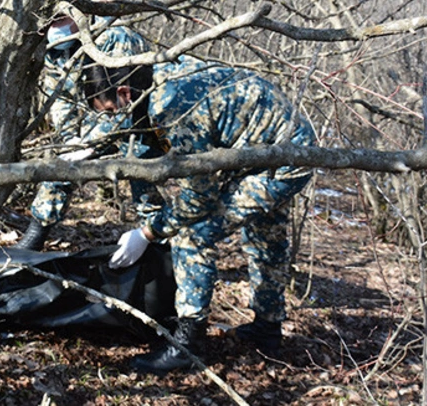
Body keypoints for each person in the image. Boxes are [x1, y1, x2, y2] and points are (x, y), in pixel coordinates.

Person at [82, 58, 315, 374]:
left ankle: (188, 346)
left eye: (110, 110)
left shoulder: (172, 105)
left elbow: (199, 199)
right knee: (265, 235)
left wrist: (149, 232)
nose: (112, 119)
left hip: (286, 156)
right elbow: (144, 156)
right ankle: (267, 330)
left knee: (194, 231)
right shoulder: (148, 82)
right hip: (268, 147)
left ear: (124, 93)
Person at [15, 0, 157, 250]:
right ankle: (35, 237)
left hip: (142, 123)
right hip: (95, 127)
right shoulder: (57, 49)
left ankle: (155, 237)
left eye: (61, 18)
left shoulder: (115, 37)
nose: (55, 25)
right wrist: (72, 146)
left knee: (143, 174)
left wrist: (89, 145)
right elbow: (61, 102)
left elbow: (125, 104)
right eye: (51, 20)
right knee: (59, 164)